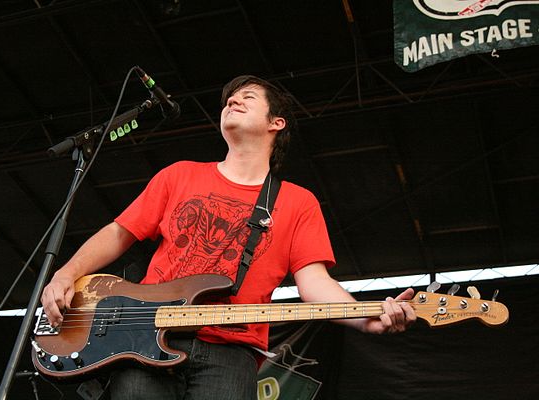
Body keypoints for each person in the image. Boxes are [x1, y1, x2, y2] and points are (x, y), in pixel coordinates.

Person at [40, 75, 416, 399]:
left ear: (277, 123)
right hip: (144, 338)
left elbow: (314, 281)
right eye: (229, 100)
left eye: (247, 98)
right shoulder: (179, 175)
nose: (232, 100)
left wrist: (365, 318)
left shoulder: (297, 202)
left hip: (231, 352)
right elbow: (119, 233)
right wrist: (65, 274)